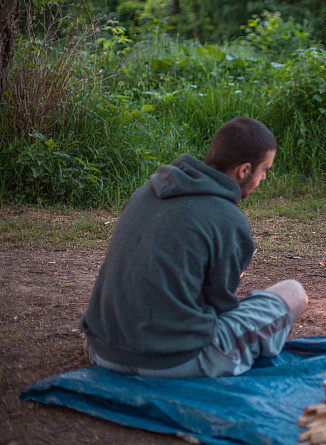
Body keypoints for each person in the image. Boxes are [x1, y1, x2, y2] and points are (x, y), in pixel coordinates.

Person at [81, 117, 308, 377]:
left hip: (101, 348)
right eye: (264, 169)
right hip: (172, 360)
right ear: (244, 170)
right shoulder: (228, 218)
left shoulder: (147, 190)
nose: (264, 177)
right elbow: (220, 307)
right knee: (293, 292)